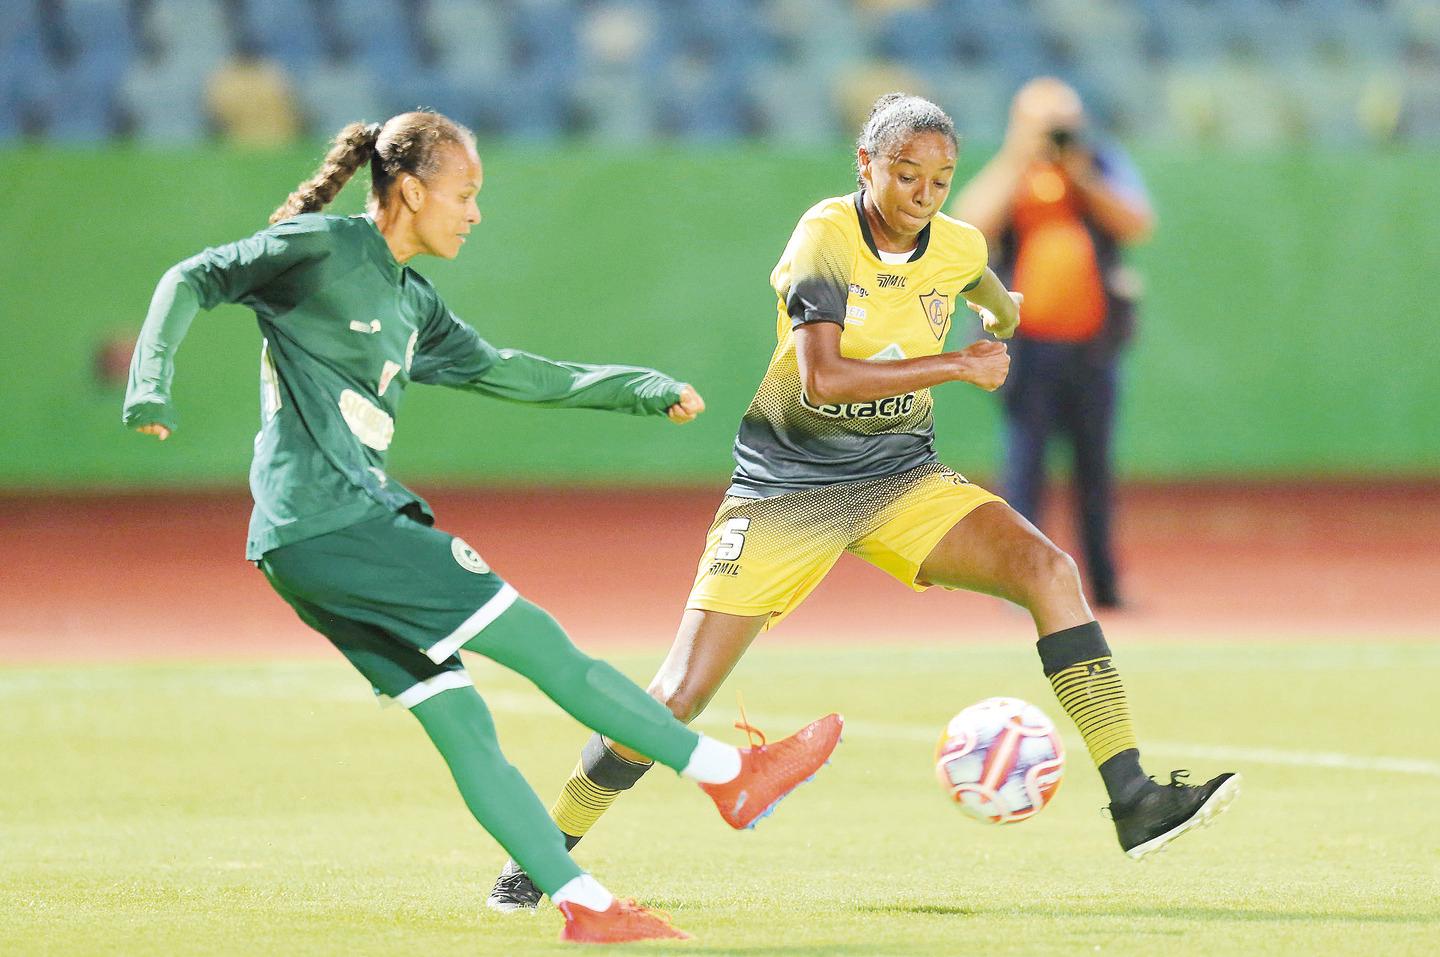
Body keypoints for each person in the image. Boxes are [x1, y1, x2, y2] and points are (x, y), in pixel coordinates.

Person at [488, 92, 1238, 912]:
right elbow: (822, 376)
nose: (925, 192)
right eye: (906, 173)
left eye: (942, 177)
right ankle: (541, 852)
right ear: (866, 166)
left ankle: (1133, 796)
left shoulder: (954, 243)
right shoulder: (826, 236)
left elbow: (978, 276)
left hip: (900, 481)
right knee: (676, 695)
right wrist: (958, 364)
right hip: (788, 491)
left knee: (1047, 567)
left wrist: (1002, 308)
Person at [122, 110, 844, 946]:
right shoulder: (320, 248)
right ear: (412, 189)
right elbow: (190, 277)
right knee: (544, 645)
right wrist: (151, 382)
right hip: (338, 520)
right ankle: (731, 774)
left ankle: (585, 905)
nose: (474, 212)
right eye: (465, 194)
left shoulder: (410, 299)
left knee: (460, 721)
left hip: (302, 544)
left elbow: (508, 373)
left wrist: (632, 386)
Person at [950, 77, 1155, 608]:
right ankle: (1019, 585)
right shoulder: (1012, 171)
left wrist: (1081, 172)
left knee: (1095, 474)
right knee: (1024, 474)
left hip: (1093, 346)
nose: (1056, 135)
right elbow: (969, 226)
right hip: (1028, 348)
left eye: (1063, 123)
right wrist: (1019, 156)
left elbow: (1137, 222)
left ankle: (1105, 589)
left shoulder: (1097, 164)